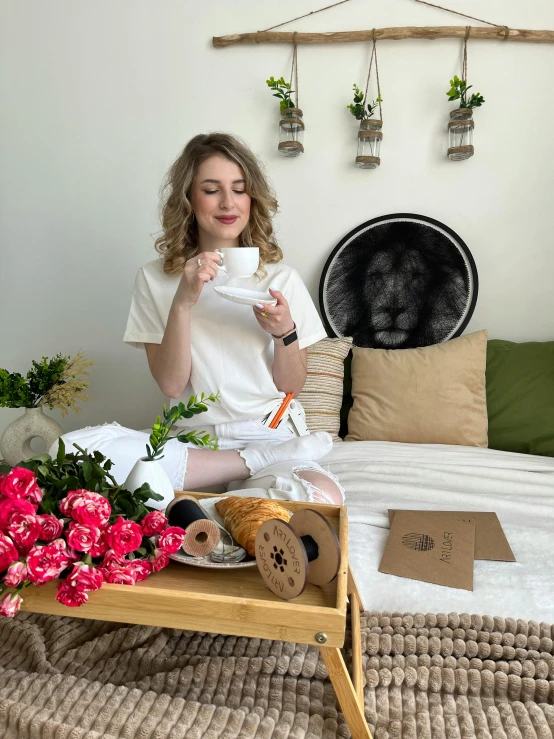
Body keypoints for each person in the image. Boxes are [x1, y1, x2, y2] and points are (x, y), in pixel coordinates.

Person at [52, 133, 343, 507]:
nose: (228, 203)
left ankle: (218, 490)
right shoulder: (155, 278)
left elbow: (292, 385)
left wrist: (283, 332)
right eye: (211, 189)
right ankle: (244, 473)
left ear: (252, 198)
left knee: (323, 496)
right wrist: (182, 303)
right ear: (188, 199)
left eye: (239, 189)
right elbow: (172, 385)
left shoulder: (279, 278)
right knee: (71, 451)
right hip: (191, 443)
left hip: (269, 434)